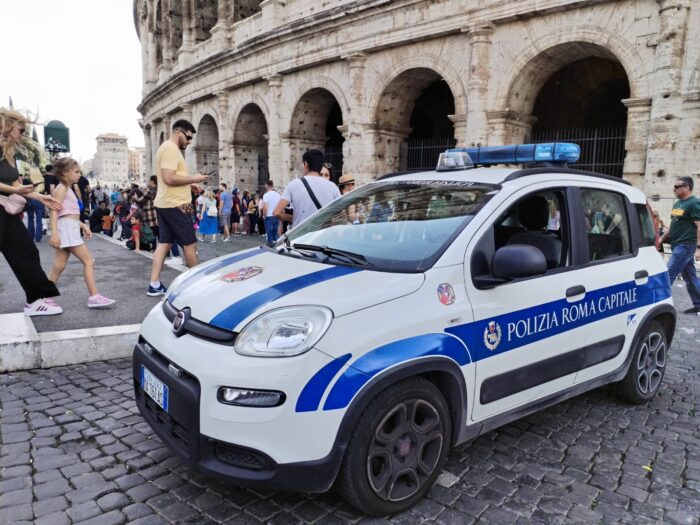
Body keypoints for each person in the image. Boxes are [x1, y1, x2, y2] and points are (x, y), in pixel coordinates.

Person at [0, 109, 63, 315]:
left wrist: (39, 197)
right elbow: (14, 187)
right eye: (21, 129)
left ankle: (35, 300)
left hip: (5, 212)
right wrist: (16, 190)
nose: (23, 133)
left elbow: (16, 183)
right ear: (7, 126)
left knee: (26, 251)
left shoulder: (8, 151)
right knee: (23, 251)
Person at [148, 119, 207, 296]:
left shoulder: (166, 148)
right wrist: (194, 179)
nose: (189, 142)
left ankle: (154, 284)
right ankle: (197, 286)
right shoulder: (171, 150)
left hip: (165, 203)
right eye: (188, 137)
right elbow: (168, 178)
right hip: (176, 205)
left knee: (164, 244)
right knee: (190, 243)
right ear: (179, 132)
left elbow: (171, 179)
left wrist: (189, 186)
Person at [48, 158, 115, 308]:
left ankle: (43, 297)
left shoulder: (65, 188)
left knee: (58, 266)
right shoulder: (62, 188)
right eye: (76, 172)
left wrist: (82, 225)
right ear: (65, 172)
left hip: (68, 227)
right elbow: (53, 211)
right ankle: (94, 296)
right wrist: (54, 233)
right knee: (88, 261)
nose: (79, 175)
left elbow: (66, 213)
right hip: (67, 229)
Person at [658, 176, 700, 314]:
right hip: (677, 245)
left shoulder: (694, 203)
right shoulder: (677, 204)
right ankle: (699, 304)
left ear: (687, 188)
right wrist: (661, 239)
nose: (674, 189)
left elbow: (699, 226)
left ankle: (657, 305)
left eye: (677, 187)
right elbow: (673, 225)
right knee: (690, 277)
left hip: (686, 245)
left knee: (668, 273)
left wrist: (698, 248)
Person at [274, 149, 341, 228]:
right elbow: (340, 213)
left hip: (301, 235)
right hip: (324, 235)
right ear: (321, 166)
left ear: (305, 164)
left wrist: (292, 218)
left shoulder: (293, 185)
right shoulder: (332, 186)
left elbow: (276, 212)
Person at [24, 166, 46, 242]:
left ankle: (30, 237)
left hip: (30, 200)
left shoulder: (26, 180)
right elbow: (44, 191)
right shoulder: (42, 180)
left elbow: (25, 191)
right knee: (39, 220)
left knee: (30, 219)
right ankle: (38, 238)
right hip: (39, 200)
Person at [261, 180, 281, 245]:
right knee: (275, 232)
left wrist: (264, 215)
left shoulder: (266, 195)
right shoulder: (278, 194)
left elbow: (265, 207)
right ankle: (276, 245)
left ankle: (270, 245)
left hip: (269, 215)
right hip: (276, 214)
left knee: (269, 232)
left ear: (266, 185)